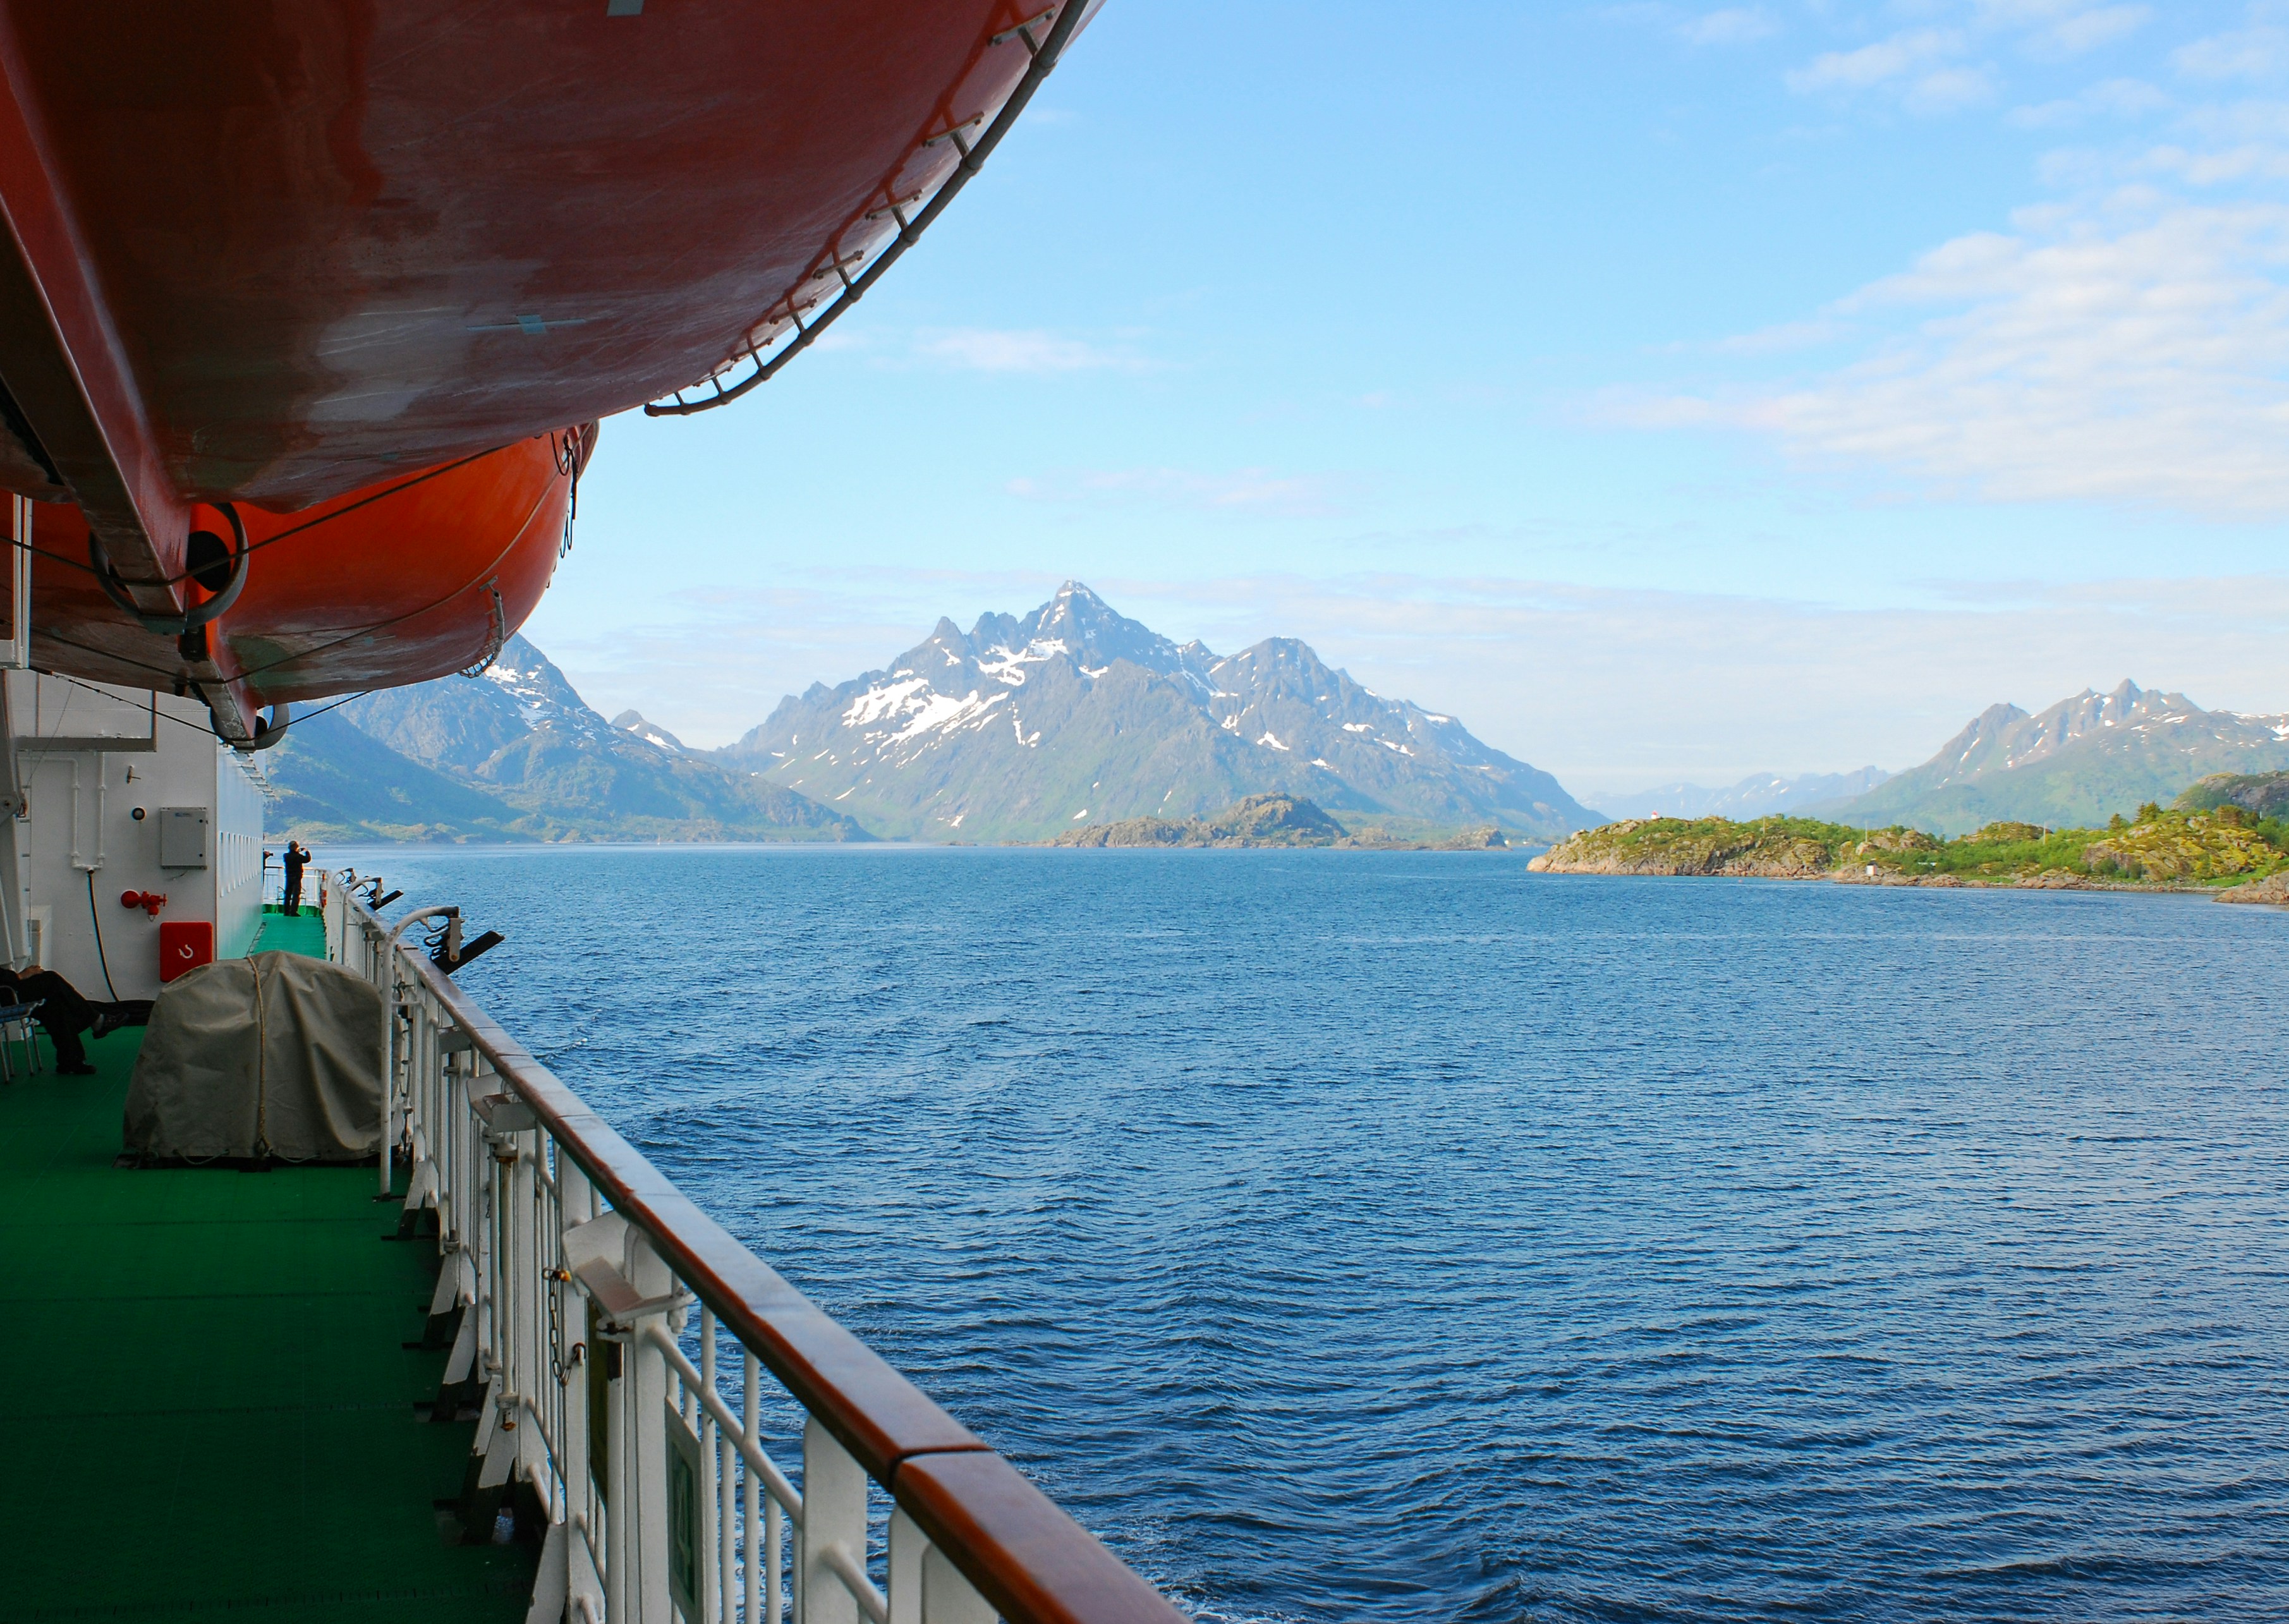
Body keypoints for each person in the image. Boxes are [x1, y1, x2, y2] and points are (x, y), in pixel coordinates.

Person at [0, 963, 146, 1076]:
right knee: (51, 980)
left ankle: (70, 1060)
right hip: (7, 993)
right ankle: (96, 1020)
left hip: (7, 990)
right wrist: (20, 976)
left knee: (55, 1006)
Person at [282, 839, 310, 916]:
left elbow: (293, 856)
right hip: (297, 877)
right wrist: (307, 852)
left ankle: (286, 911)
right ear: (296, 847)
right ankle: (293, 911)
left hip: (289, 877)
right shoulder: (298, 857)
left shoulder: (286, 856)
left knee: (288, 894)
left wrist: (297, 852)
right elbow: (307, 859)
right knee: (296, 895)